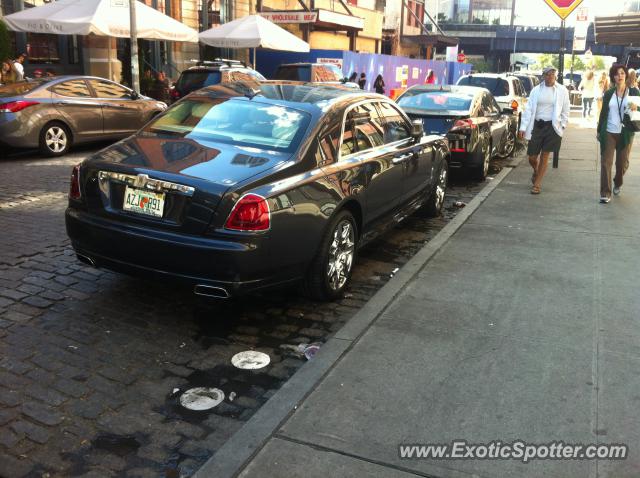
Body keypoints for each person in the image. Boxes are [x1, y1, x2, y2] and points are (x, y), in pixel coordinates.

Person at [517, 66, 570, 194]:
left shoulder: (562, 90)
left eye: (553, 74)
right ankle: (536, 170)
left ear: (555, 76)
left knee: (545, 156)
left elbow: (566, 109)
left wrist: (563, 125)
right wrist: (523, 127)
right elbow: (529, 109)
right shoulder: (536, 90)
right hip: (537, 126)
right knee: (532, 157)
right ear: (543, 76)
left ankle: (537, 184)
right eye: (548, 74)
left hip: (552, 127)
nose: (550, 76)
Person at [596, 63, 640, 203]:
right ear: (613, 77)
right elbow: (603, 113)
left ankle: (618, 182)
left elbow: (638, 112)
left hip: (626, 132)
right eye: (616, 73)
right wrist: (599, 130)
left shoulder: (634, 92)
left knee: (622, 164)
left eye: (622, 73)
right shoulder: (609, 93)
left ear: (626, 75)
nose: (619, 76)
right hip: (609, 131)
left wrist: (636, 108)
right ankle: (605, 192)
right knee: (605, 162)